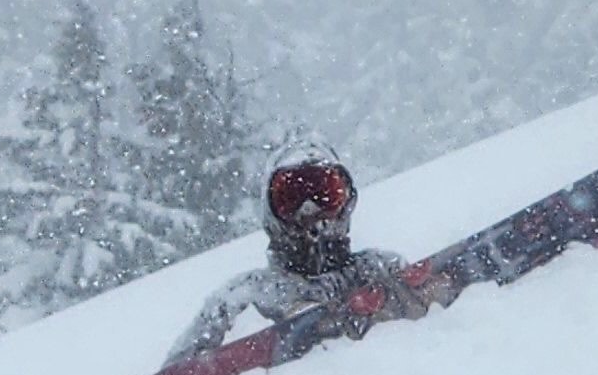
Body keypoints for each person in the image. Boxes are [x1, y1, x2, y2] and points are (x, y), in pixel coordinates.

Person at [165, 141, 436, 362]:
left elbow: (441, 340)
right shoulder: (243, 299)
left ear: (347, 200)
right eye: (290, 198)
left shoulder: (382, 270)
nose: (309, 211)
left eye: (326, 195)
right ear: (270, 211)